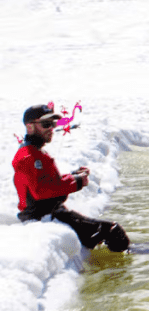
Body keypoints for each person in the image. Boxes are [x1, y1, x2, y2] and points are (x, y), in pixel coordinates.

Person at [11, 104, 130, 252]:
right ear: (30, 127)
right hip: (44, 217)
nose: (51, 128)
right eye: (46, 124)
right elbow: (41, 191)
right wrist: (76, 182)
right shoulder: (28, 156)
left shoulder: (35, 152)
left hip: (53, 212)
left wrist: (74, 176)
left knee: (111, 231)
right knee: (113, 231)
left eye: (53, 124)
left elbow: (47, 182)